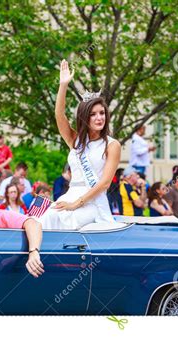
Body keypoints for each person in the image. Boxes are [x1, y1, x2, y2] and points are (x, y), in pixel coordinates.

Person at [39, 59, 121, 230]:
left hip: (93, 203)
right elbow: (59, 114)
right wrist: (63, 85)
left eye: (102, 113)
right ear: (85, 117)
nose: (99, 118)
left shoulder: (112, 145)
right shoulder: (75, 141)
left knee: (65, 223)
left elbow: (105, 183)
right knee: (45, 220)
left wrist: (77, 203)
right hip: (70, 197)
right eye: (93, 114)